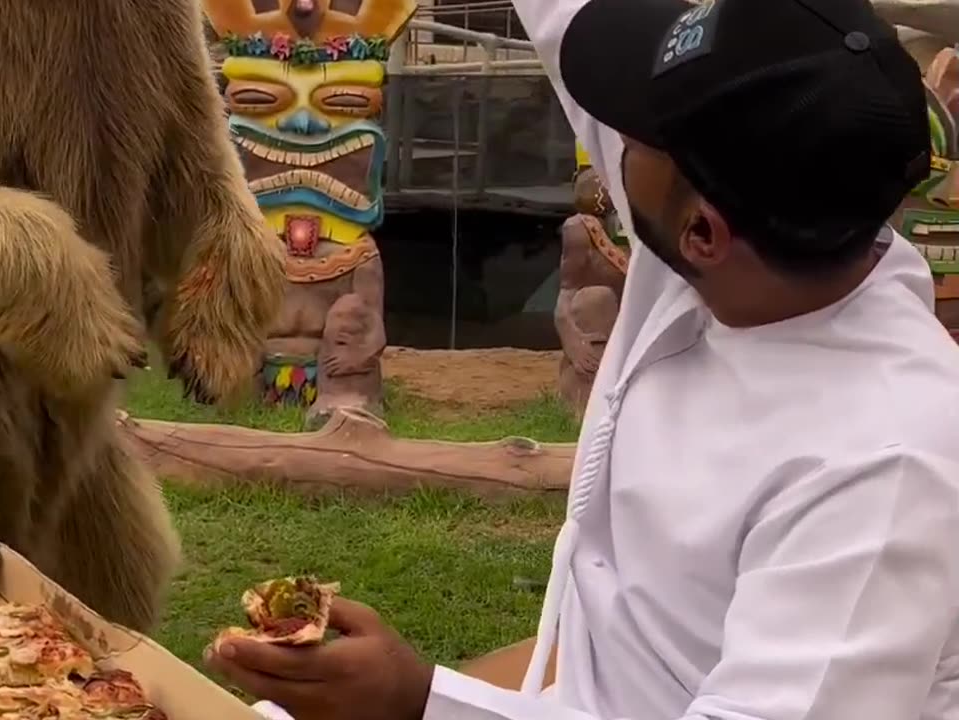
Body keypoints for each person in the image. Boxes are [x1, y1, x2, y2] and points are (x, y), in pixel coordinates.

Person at [205, 0, 959, 717]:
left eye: (633, 139)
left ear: (704, 233)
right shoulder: (759, 237)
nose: (608, 140)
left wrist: (416, 703)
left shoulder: (882, 469)